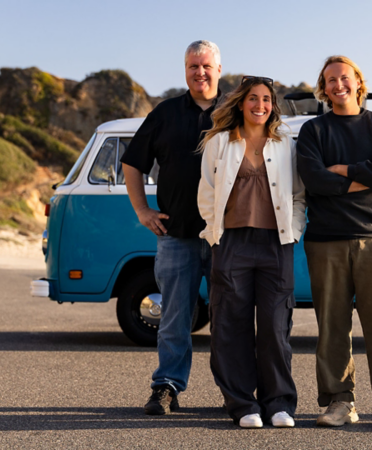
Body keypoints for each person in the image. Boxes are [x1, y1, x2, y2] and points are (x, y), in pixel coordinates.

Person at [296, 55, 372, 432]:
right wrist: (367, 171)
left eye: (343, 78)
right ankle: (338, 401)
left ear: (358, 82)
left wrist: (343, 170)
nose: (337, 85)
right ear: (324, 87)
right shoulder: (314, 130)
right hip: (325, 240)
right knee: (331, 326)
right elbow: (314, 180)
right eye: (329, 80)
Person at [197, 76, 306, 429]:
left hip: (277, 244)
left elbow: (299, 193)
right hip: (232, 244)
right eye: (253, 99)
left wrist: (295, 230)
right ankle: (243, 404)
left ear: (273, 105)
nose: (260, 105)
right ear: (241, 103)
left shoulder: (285, 141)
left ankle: (278, 404)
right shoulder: (219, 142)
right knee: (231, 326)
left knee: (275, 327)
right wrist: (217, 236)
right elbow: (207, 192)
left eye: (266, 100)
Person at [120, 40, 222, 415]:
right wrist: (142, 210)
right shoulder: (164, 113)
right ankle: (166, 387)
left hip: (225, 237)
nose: (200, 72)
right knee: (175, 318)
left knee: (229, 317)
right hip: (176, 235)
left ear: (219, 70)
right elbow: (133, 163)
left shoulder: (235, 111)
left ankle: (235, 391)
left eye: (206, 66)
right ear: (185, 71)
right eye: (193, 66)